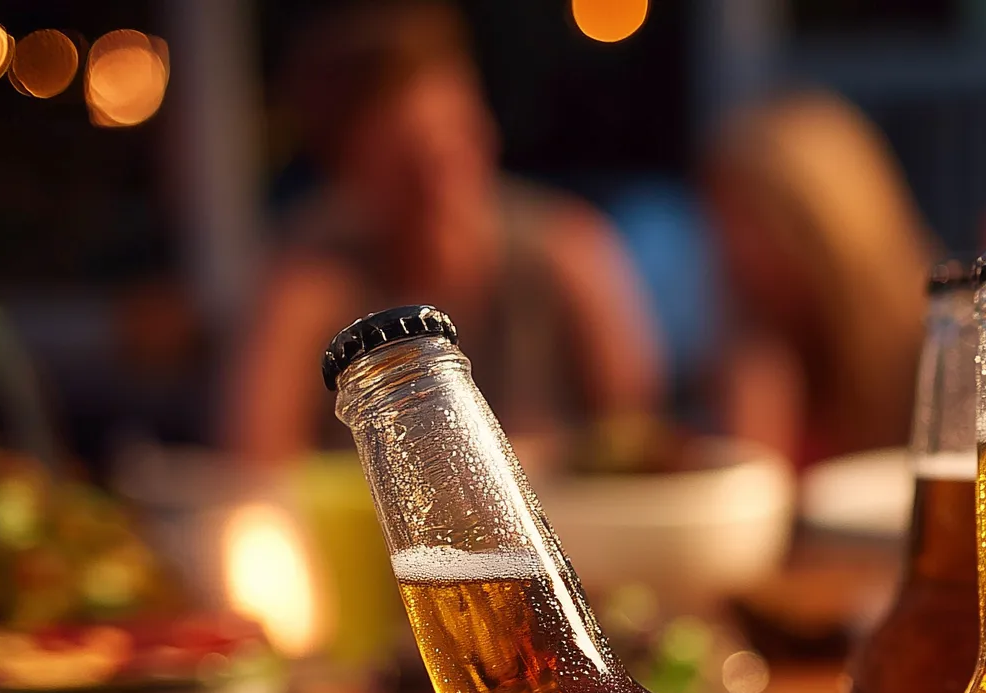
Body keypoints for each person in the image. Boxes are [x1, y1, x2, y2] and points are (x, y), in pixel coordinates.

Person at [224, 2, 663, 470]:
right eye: (408, 169)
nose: (442, 193)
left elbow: (638, 447)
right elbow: (253, 470)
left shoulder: (570, 253)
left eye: (456, 146)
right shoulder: (310, 282)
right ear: (346, 174)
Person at [705, 92, 934, 467]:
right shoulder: (761, 357)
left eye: (756, 221)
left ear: (828, 227)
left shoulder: (933, 345)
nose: (734, 250)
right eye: (723, 221)